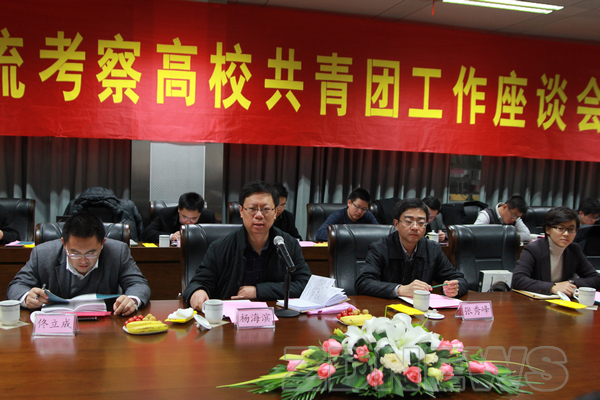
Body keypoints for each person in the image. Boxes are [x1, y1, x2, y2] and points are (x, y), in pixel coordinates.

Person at [183, 181, 311, 311]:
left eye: (266, 209)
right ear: (241, 211)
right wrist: (198, 291)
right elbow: (198, 282)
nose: (259, 215)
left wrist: (258, 291)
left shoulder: (288, 244)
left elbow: (305, 284)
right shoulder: (220, 247)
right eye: (252, 209)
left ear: (275, 212)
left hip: (277, 317)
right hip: (230, 319)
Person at [7, 213, 151, 316]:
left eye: (91, 253)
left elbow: (138, 284)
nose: (83, 261)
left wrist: (131, 300)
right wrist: (27, 297)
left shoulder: (117, 252)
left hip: (105, 326)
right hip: (56, 327)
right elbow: (17, 286)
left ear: (102, 244)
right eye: (75, 253)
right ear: (64, 244)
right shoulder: (43, 254)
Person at [355, 198, 468, 299]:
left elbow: (459, 279)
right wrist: (400, 290)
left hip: (420, 311)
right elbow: (363, 283)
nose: (415, 227)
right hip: (387, 309)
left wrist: (454, 288)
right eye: (409, 221)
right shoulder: (380, 248)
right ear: (396, 224)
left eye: (421, 223)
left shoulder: (433, 249)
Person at [512, 207, 600, 295]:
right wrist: (552, 287)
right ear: (548, 229)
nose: (566, 234)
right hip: (535, 300)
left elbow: (596, 279)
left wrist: (570, 283)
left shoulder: (574, 249)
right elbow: (518, 279)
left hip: (562, 300)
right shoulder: (534, 249)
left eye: (571, 229)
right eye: (560, 228)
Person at [142, 192, 217, 243]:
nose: (188, 222)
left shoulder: (208, 216)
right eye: (184, 217)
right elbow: (147, 234)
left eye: (193, 218)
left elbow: (219, 235)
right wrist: (171, 236)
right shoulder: (166, 214)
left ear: (200, 213)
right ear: (179, 209)